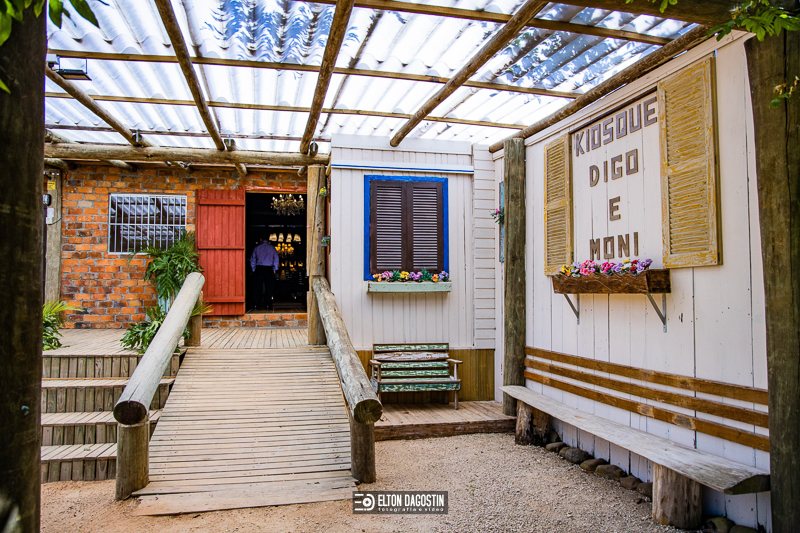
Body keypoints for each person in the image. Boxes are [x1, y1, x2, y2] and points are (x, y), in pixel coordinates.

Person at [250, 237, 280, 310]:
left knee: (257, 287)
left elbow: (252, 260)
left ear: (261, 239)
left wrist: (254, 269)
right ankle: (268, 304)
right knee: (269, 287)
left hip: (259, 268)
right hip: (269, 269)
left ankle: (256, 304)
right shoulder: (272, 248)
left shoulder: (257, 248)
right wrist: (274, 269)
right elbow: (276, 259)